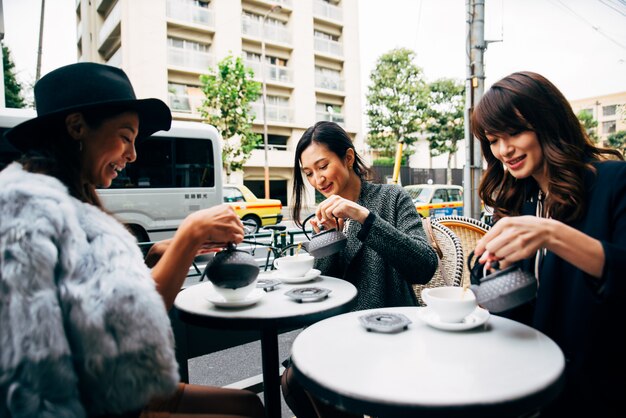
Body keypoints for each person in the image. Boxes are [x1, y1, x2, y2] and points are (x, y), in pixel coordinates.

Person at [0, 63, 264, 418]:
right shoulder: (26, 210)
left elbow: (92, 296)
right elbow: (127, 320)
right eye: (126, 136)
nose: (133, 154)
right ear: (77, 127)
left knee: (249, 404)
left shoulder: (68, 197)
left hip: (119, 385)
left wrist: (155, 255)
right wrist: (190, 235)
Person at [471, 71, 626, 417]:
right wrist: (498, 267)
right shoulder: (521, 198)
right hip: (533, 383)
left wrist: (552, 234)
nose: (503, 150)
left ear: (548, 121)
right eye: (493, 140)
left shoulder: (613, 182)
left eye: (514, 133)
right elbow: (515, 306)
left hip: (597, 390)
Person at [281, 121, 438, 418]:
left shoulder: (392, 199)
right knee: (295, 381)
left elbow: (425, 267)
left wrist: (364, 218)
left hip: (392, 330)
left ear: (349, 158)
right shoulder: (325, 215)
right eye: (309, 173)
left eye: (323, 166)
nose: (317, 179)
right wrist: (328, 240)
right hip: (340, 334)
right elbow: (324, 288)